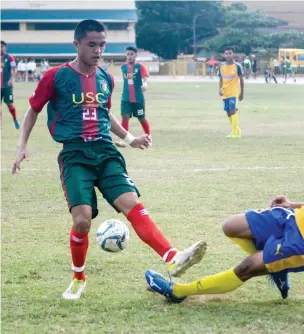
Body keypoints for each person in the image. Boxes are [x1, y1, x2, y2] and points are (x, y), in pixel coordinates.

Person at [11, 19, 207, 300]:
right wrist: (22, 146)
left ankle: (173, 257)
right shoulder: (56, 77)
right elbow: (33, 110)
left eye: (102, 45)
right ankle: (78, 278)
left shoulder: (106, 78)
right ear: (76, 44)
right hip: (75, 155)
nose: (98, 50)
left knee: (133, 205)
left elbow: (105, 113)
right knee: (82, 221)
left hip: (106, 152)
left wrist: (130, 139)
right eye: (92, 44)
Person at [145, 117, 304, 312]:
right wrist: (292, 205)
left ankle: (179, 292)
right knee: (230, 226)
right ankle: (278, 271)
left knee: (246, 268)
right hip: (293, 219)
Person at [115, 46, 151, 148]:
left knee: (141, 118)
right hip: (125, 98)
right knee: (125, 116)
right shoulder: (123, 68)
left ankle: (148, 137)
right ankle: (124, 140)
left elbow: (145, 78)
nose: (130, 56)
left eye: (132, 54)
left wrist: (145, 84)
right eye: (128, 54)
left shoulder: (140, 67)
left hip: (138, 99)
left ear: (135, 55)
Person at [218, 47, 244, 139]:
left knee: (232, 110)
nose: (228, 55)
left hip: (233, 92)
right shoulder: (221, 66)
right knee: (228, 112)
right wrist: (220, 89)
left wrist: (242, 93)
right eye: (226, 53)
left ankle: (235, 132)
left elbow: (241, 80)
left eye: (230, 53)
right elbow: (221, 79)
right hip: (225, 92)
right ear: (225, 55)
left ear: (233, 54)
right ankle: (236, 130)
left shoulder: (237, 66)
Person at [1, 40, 20, 129]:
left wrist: (12, 79)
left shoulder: (9, 57)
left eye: (2, 46)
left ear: (5, 47)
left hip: (6, 85)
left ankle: (15, 120)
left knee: (9, 104)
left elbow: (14, 69)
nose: (0, 48)